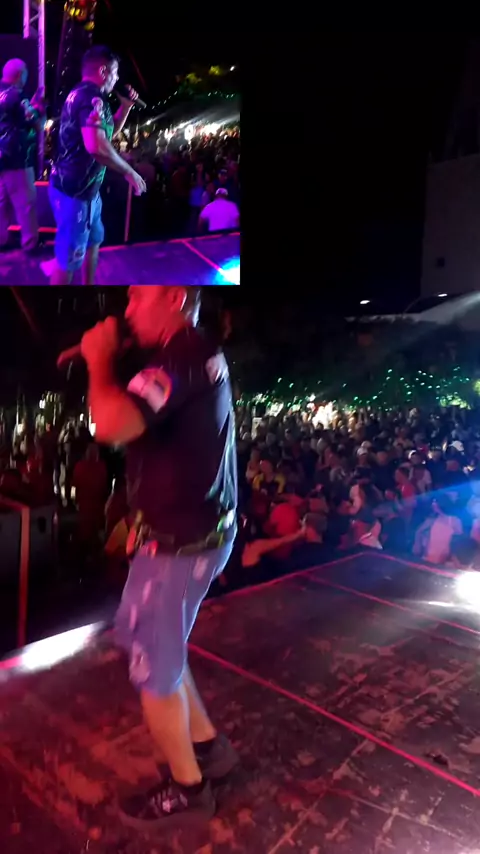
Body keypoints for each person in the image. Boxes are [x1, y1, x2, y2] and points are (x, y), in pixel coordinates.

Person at [80, 286, 238, 829]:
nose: (126, 310)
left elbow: (110, 426)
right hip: (175, 539)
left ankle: (189, 790)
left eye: (136, 297)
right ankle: (208, 749)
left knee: (154, 669)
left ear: (174, 295)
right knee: (153, 644)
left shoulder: (182, 357)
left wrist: (98, 361)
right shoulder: (190, 354)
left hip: (181, 546)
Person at [41, 45, 146, 285]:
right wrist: (129, 171)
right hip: (75, 194)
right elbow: (96, 146)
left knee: (93, 241)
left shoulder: (87, 95)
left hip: (87, 192)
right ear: (103, 71)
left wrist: (125, 107)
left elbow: (105, 135)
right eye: (115, 73)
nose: (117, 79)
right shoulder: (91, 98)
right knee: (68, 260)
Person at [0, 58, 46, 253]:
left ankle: (1, 241)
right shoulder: (17, 95)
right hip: (17, 159)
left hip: (2, 158)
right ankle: (31, 244)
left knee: (1, 203)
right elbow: (37, 123)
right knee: (25, 203)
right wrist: (39, 107)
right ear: (20, 75)